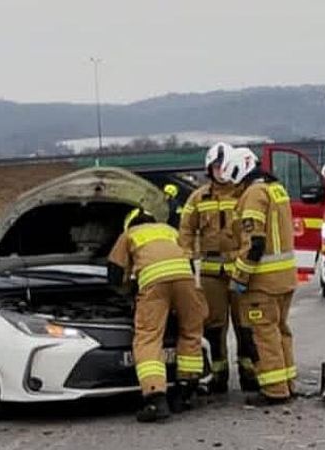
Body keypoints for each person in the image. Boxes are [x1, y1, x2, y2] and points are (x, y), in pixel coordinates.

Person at [108, 207, 207, 422]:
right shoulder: (170, 231)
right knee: (190, 331)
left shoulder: (130, 234)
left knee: (148, 337)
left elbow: (114, 272)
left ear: (129, 224)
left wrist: (127, 292)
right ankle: (185, 391)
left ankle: (156, 398)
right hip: (186, 280)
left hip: (154, 285)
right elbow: (189, 261)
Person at [220, 147, 298, 405]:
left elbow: (254, 243)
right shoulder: (276, 189)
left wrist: (239, 278)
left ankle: (274, 390)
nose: (236, 188)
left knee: (264, 334)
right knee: (280, 331)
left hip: (263, 282)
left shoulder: (254, 194)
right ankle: (288, 383)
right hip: (285, 278)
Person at [177, 142, 256, 394]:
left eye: (224, 165)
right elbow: (186, 230)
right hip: (212, 273)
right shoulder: (199, 197)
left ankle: (250, 373)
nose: (221, 171)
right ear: (209, 169)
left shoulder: (245, 194)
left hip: (241, 271)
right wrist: (186, 258)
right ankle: (218, 374)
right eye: (216, 166)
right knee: (213, 325)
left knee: (246, 323)